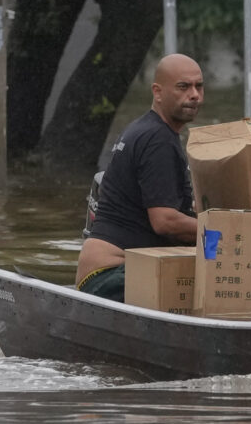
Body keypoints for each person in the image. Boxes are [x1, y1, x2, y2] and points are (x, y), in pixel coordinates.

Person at [76, 53, 205, 300]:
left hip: (107, 272)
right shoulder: (158, 140)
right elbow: (164, 221)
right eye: (183, 87)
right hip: (110, 276)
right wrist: (224, 232)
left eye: (199, 86)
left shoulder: (148, 130)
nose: (194, 95)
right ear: (157, 92)